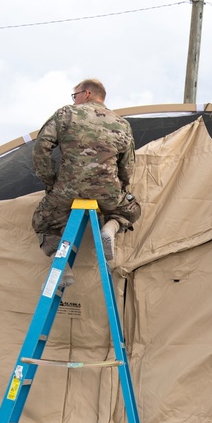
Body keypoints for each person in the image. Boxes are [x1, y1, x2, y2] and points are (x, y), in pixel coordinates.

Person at [32, 78, 141, 286]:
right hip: (107, 193)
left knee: (42, 221)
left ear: (87, 94)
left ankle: (62, 265)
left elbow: (41, 147)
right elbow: (127, 167)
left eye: (75, 96)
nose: (74, 101)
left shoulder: (66, 114)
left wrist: (50, 181)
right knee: (131, 210)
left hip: (67, 191)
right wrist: (120, 190)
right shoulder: (122, 124)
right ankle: (111, 226)